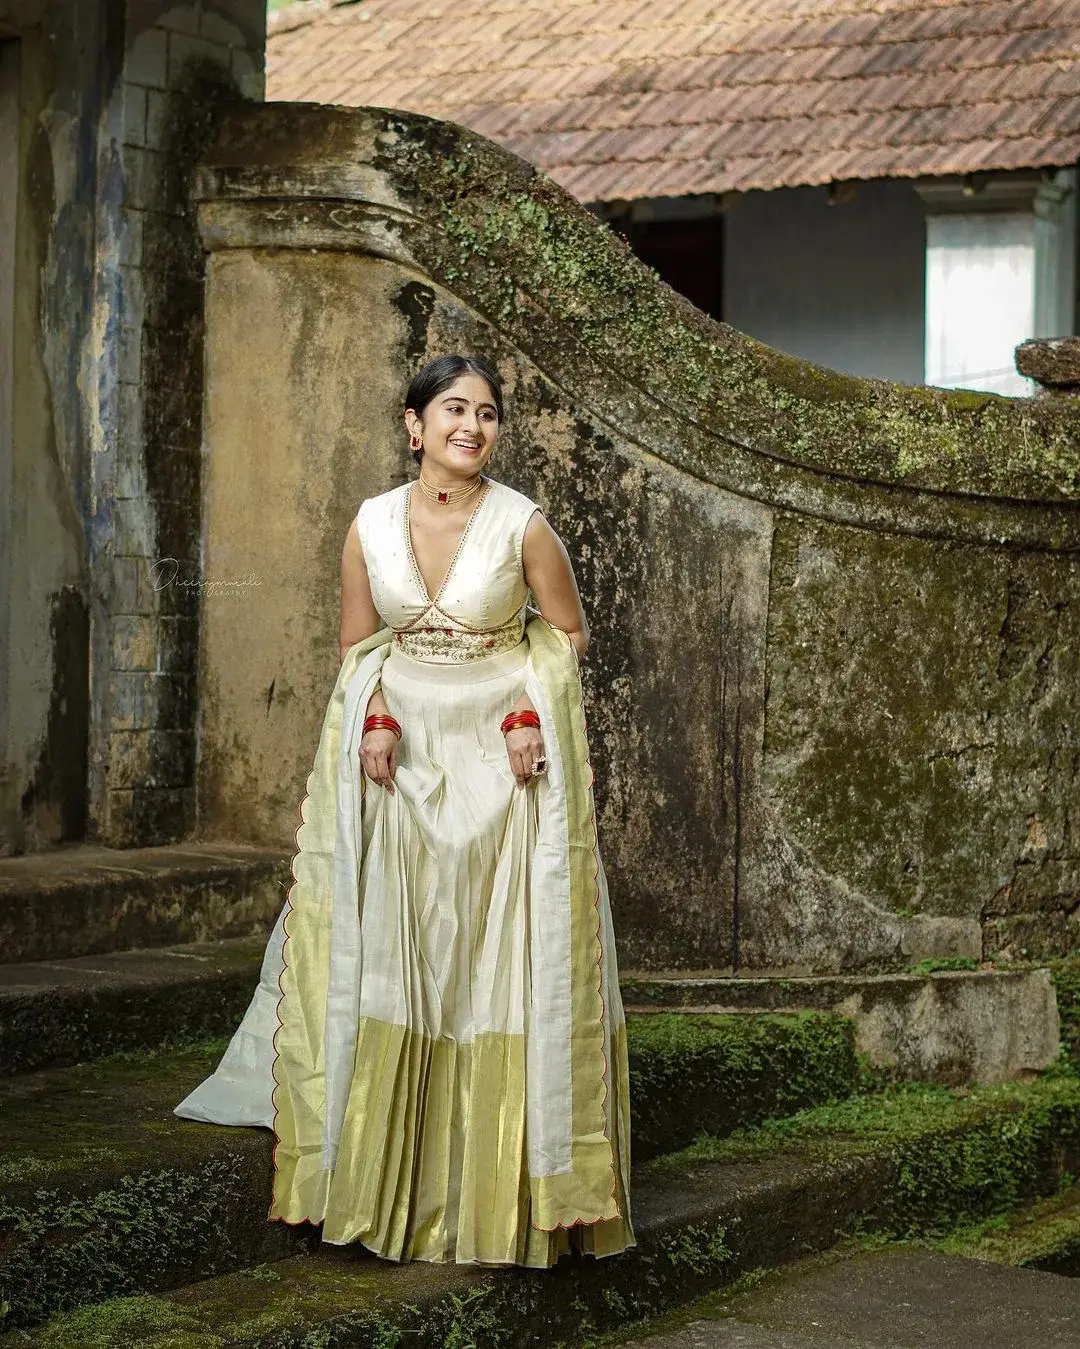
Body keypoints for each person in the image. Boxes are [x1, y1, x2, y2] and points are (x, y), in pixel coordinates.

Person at [176, 354, 635, 1268]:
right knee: (398, 953)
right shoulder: (371, 524)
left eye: (490, 413)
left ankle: (491, 1184)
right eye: (454, 409)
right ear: (413, 424)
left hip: (500, 770)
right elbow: (360, 645)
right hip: (399, 767)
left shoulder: (523, 526)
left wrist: (522, 714)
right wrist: (377, 721)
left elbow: (566, 634)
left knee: (484, 958)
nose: (474, 425)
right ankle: (383, 1176)